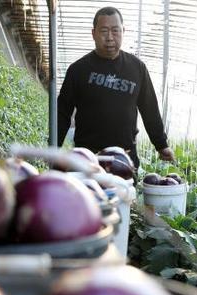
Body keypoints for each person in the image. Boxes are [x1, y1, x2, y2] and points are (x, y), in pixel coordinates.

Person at [57, 6, 175, 171]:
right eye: (104, 31)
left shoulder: (137, 68)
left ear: (123, 31)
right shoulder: (78, 70)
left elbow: (150, 109)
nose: (110, 37)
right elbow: (62, 113)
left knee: (123, 195)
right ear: (93, 34)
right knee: (89, 195)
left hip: (124, 158)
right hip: (88, 158)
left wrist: (161, 144)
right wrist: (53, 148)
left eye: (115, 31)